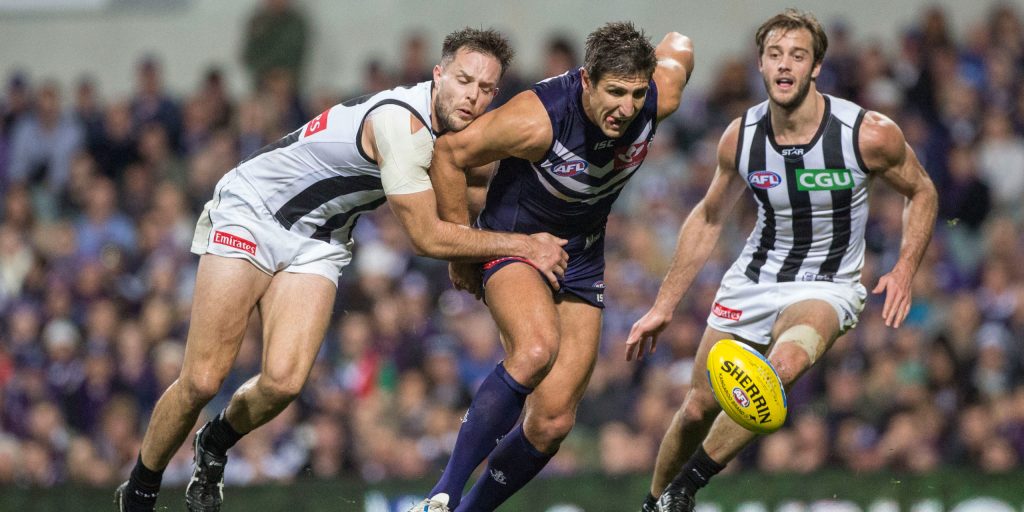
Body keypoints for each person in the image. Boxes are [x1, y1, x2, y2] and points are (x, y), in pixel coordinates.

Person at [114, 28, 570, 512]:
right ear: (439, 75)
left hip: (319, 238)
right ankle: (141, 487)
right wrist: (526, 245)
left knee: (285, 382)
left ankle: (215, 441)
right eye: (463, 80)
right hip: (252, 211)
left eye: (485, 89)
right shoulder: (403, 124)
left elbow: (472, 194)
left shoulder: (454, 132)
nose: (472, 96)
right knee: (203, 379)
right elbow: (426, 237)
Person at [623, 10, 938, 512]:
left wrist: (904, 268)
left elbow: (921, 192)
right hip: (754, 277)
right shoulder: (741, 137)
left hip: (828, 284)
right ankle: (654, 503)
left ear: (816, 67)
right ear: (761, 65)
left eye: (797, 55)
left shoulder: (867, 133)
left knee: (780, 368)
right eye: (775, 55)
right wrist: (663, 305)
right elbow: (707, 219)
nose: (785, 65)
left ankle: (686, 488)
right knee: (697, 407)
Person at [411, 22, 694, 512]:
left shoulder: (657, 98)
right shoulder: (537, 118)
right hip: (517, 241)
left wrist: (678, 43)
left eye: (635, 93)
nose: (626, 108)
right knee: (536, 349)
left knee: (553, 421)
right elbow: (448, 154)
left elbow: (678, 52)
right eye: (614, 92)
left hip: (582, 257)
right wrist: (463, 248)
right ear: (586, 80)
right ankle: (441, 495)